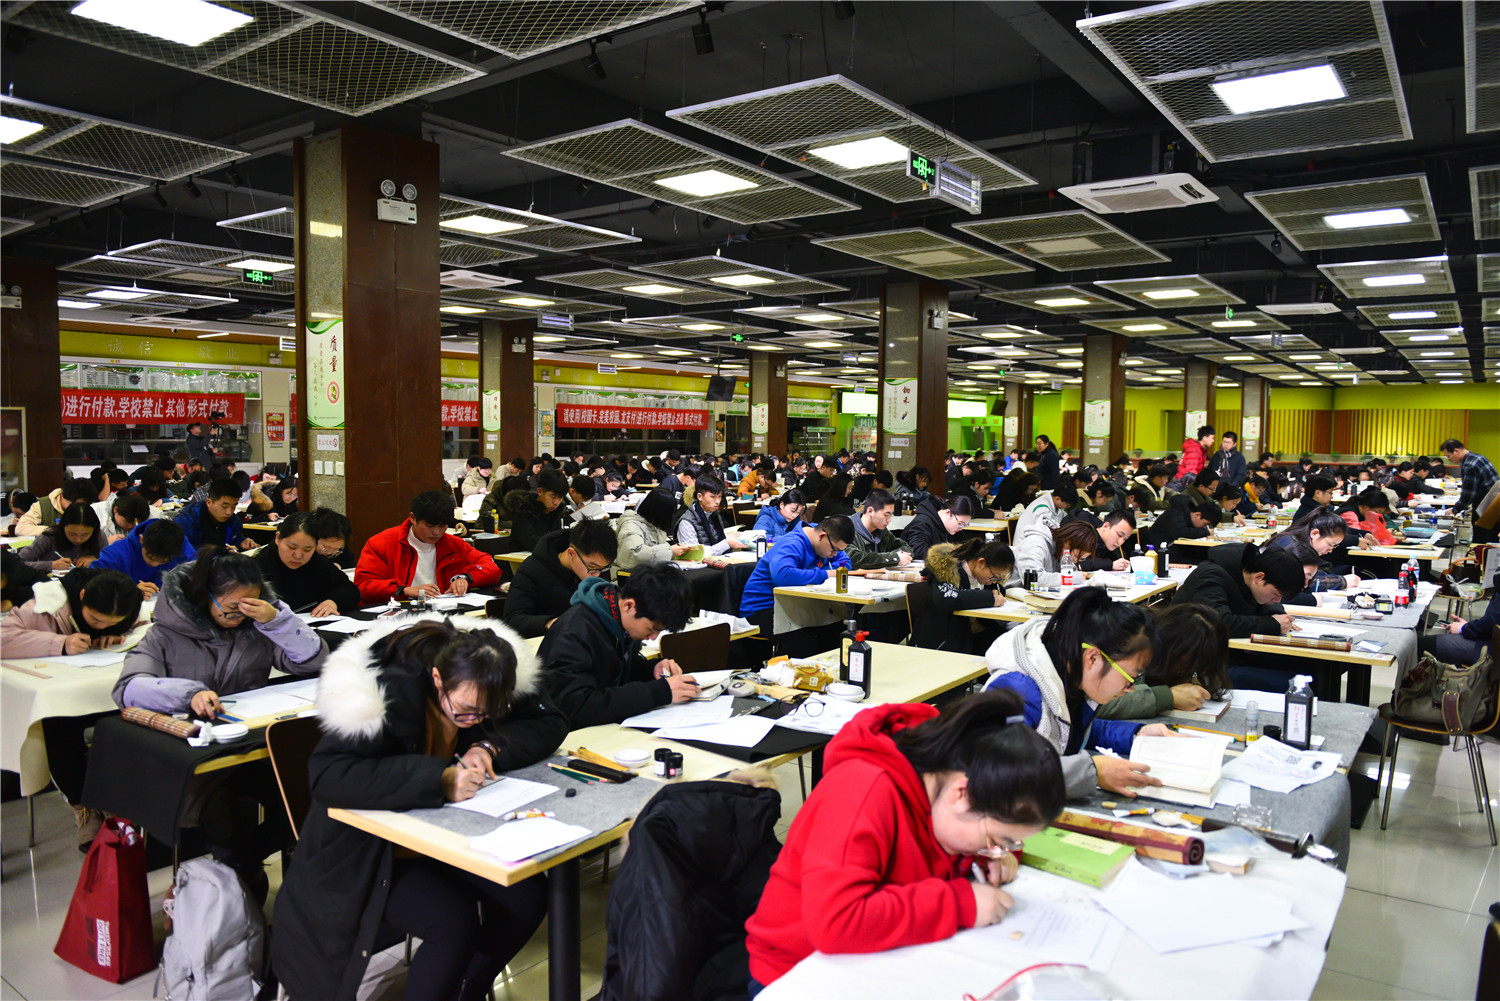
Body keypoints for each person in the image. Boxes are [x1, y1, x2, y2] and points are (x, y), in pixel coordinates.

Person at [272, 616, 566, 1001]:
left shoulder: (488, 679)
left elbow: (550, 720)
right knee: (451, 922)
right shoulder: (385, 697)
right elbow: (329, 777)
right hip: (370, 854)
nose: (474, 720)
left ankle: (468, 990)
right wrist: (438, 780)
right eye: (466, 711)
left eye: (487, 714)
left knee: (527, 896)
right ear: (438, 678)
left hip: (440, 835)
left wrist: (488, 744)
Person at [744, 692, 1065, 993]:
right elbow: (836, 921)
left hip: (868, 961)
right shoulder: (862, 791)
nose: (997, 850)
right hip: (792, 974)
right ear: (962, 794)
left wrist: (983, 859)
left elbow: (938, 847)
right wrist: (959, 904)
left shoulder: (943, 783)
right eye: (995, 840)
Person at [114, 549, 327, 893]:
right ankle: (244, 879)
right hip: (195, 759)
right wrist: (188, 694)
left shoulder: (256, 627)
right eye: (231, 609)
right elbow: (128, 689)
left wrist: (277, 621)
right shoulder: (164, 635)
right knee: (223, 818)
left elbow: (312, 662)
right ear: (204, 597)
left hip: (249, 748)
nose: (239, 617)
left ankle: (257, 871)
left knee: (305, 796)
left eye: (248, 608)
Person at [983, 587, 1172, 799]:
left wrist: (1137, 735)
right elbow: (993, 773)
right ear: (1093, 658)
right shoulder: (1017, 692)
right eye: (1131, 677)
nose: (1131, 688)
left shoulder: (1072, 680)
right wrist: (1093, 772)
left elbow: (1067, 731)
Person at [2, 567, 145, 845]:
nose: (101, 627)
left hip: (103, 691)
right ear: (81, 597)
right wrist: (59, 643)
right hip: (59, 697)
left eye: (112, 623)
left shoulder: (127, 605)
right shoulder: (46, 605)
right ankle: (83, 805)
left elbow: (148, 628)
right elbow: (3, 637)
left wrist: (121, 637)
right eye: (95, 619)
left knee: (127, 722)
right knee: (58, 727)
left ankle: (116, 799)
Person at [539, 563, 696, 728]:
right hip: (564, 732)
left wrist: (651, 670)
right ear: (629, 606)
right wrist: (659, 692)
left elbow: (618, 671)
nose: (653, 637)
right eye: (652, 629)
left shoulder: (618, 619)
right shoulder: (575, 632)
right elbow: (577, 707)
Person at [355, 491, 501, 604]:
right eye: (430, 526)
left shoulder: (453, 544)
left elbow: (491, 567)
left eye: (442, 526)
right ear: (412, 518)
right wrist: (405, 590)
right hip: (398, 612)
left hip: (443, 609)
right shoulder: (383, 543)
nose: (437, 532)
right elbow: (363, 586)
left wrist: (465, 578)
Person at [739, 516, 854, 656]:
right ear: (822, 536)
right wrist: (826, 574)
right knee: (805, 643)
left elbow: (845, 563)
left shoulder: (827, 539)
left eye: (838, 551)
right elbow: (783, 576)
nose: (834, 554)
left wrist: (820, 573)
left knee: (838, 631)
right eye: (834, 550)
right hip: (762, 608)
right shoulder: (793, 543)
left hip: (795, 605)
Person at [1096, 603, 1229, 720]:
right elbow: (1100, 703)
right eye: (1184, 666)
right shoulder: (1130, 640)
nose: (1187, 671)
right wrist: (1169, 697)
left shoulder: (1189, 653)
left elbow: (1210, 679)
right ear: (1173, 646)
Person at [503, 520, 618, 638]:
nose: (597, 575)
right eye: (592, 567)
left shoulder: (598, 569)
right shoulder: (533, 569)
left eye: (603, 568)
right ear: (571, 553)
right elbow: (512, 620)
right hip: (543, 642)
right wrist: (549, 623)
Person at [911, 538, 1012, 653]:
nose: (995, 581)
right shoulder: (947, 570)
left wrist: (995, 590)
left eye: (999, 578)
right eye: (995, 576)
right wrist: (990, 598)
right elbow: (947, 598)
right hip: (943, 641)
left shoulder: (984, 576)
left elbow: (996, 588)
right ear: (981, 563)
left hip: (973, 636)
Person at [251, 512, 361, 617]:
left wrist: (333, 601)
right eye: (292, 547)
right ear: (277, 538)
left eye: (307, 549)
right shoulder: (257, 567)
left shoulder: (317, 562)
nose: (298, 556)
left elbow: (350, 589)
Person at [93, 517, 194, 597]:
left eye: (163, 561)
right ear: (142, 540)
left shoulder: (181, 547)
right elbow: (92, 586)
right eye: (151, 558)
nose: (155, 564)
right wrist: (128, 591)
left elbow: (197, 576)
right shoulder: (115, 554)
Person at [616, 488, 693, 572]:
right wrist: (670, 551)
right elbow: (634, 555)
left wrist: (678, 551)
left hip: (650, 572)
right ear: (660, 512)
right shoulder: (631, 526)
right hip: (628, 575)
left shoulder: (655, 525)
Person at [1011, 516, 1100, 588]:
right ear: (1068, 542)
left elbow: (1072, 572)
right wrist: (1073, 577)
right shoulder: (1035, 542)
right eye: (1076, 556)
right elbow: (1033, 579)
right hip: (1013, 594)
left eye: (1081, 559)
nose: (1075, 561)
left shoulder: (1062, 549)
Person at [16, 504, 104, 573]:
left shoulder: (98, 536)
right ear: (63, 527)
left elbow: (108, 565)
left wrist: (95, 560)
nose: (78, 539)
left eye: (85, 535)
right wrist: (51, 565)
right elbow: (17, 563)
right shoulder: (49, 537)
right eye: (72, 534)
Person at [1442, 438, 1499, 544]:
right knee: (1492, 541)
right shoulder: (1477, 457)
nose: (1449, 459)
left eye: (1448, 456)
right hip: (1494, 505)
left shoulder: (1470, 465)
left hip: (1486, 508)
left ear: (1456, 451)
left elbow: (1469, 494)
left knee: (1481, 542)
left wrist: (1455, 510)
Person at [675, 474, 747, 557]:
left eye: (719, 496)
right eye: (713, 497)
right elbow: (695, 555)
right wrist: (727, 543)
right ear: (700, 496)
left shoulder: (714, 515)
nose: (717, 501)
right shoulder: (686, 523)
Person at [175, 477, 254, 551]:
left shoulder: (234, 521)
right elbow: (182, 552)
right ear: (209, 502)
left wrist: (241, 543)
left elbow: (233, 542)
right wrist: (220, 553)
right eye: (224, 506)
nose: (229, 512)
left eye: (233, 507)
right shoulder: (187, 519)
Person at [502, 469, 569, 555]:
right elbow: (531, 542)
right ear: (539, 491)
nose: (556, 502)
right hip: (521, 559)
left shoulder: (555, 512)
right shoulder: (524, 509)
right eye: (553, 496)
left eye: (560, 497)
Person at [847, 489, 914, 570]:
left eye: (891, 515)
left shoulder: (881, 531)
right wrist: (893, 558)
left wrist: (897, 557)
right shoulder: (846, 529)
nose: (889, 520)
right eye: (886, 515)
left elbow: (905, 547)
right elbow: (853, 559)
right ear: (870, 511)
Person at [11, 478, 94, 537]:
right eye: (72, 503)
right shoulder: (42, 505)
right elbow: (20, 529)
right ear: (62, 495)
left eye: (81, 504)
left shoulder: (89, 509)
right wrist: (54, 530)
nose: (76, 508)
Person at [902, 495, 976, 561]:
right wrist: (950, 552)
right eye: (961, 523)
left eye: (965, 525)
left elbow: (962, 546)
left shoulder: (953, 529)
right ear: (948, 513)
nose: (961, 528)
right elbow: (918, 551)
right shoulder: (922, 523)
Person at [1143, 496, 1219, 550]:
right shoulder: (1176, 513)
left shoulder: (1185, 513)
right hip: (1156, 551)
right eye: (1205, 524)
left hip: (1169, 549)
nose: (1204, 527)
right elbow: (1180, 532)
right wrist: (1205, 532)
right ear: (1198, 515)